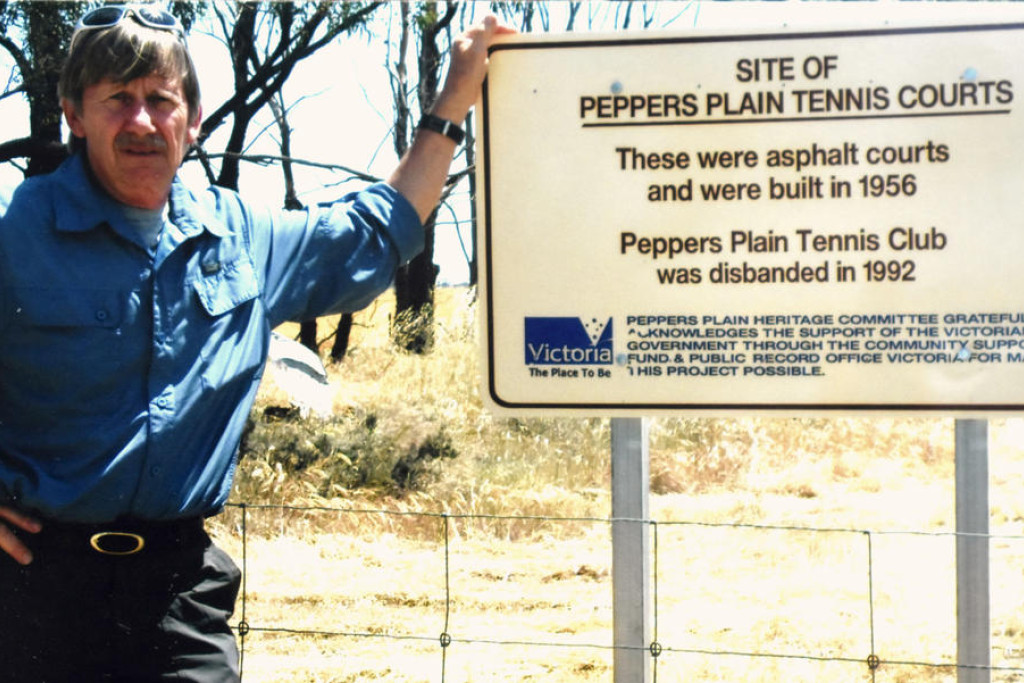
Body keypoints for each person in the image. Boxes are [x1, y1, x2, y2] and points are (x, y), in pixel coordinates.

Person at [0, 5, 513, 682]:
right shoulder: (20, 233)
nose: (143, 121)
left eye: (160, 99)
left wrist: (454, 97)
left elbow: (374, 233)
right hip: (34, 593)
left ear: (196, 118)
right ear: (74, 114)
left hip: (179, 595)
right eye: (117, 100)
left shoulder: (239, 236)